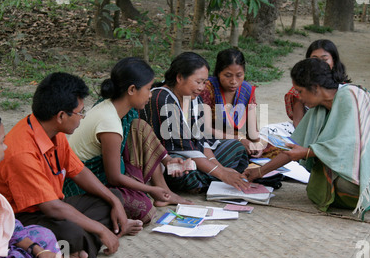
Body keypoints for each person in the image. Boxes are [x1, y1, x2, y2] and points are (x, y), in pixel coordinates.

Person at [246, 58, 370, 217]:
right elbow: (294, 148)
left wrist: (309, 152)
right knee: (327, 187)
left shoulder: (350, 96)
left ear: (316, 88)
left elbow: (351, 147)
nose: (299, 98)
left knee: (346, 188)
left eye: (300, 91)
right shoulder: (320, 108)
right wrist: (258, 173)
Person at [0, 72, 142, 258]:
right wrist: (100, 229)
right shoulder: (22, 152)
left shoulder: (54, 131)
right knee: (73, 233)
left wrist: (114, 201)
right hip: (22, 217)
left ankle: (87, 242)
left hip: (53, 204)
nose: (82, 118)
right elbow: (52, 208)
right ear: (61, 116)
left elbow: (79, 171)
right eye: (80, 112)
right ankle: (97, 237)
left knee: (113, 198)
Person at [65, 57, 192, 224]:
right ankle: (157, 191)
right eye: (148, 89)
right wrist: (150, 189)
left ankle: (164, 192)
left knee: (139, 126)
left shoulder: (119, 108)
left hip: (105, 174)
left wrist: (167, 160)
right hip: (81, 185)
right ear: (132, 90)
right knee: (145, 211)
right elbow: (114, 177)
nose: (150, 94)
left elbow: (140, 133)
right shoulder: (109, 122)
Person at [140, 52, 250, 193]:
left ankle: (205, 180)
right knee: (182, 167)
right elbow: (184, 148)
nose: (201, 87)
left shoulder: (193, 98)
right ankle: (206, 181)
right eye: (198, 82)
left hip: (195, 155)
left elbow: (201, 141)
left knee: (236, 148)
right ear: (179, 77)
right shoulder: (162, 99)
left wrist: (219, 168)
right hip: (169, 157)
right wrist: (221, 173)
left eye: (204, 82)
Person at [0, 111, 65, 258]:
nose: (5, 147)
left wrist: (38, 250)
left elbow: (5, 221)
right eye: (1, 142)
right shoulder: (21, 153)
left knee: (43, 236)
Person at [200, 48, 267, 157]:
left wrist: (257, 144)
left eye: (239, 75)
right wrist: (238, 139)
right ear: (218, 73)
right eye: (228, 75)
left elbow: (252, 130)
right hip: (213, 141)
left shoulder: (247, 90)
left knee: (279, 152)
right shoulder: (208, 89)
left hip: (240, 141)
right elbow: (205, 129)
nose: (233, 81)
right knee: (234, 149)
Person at [284, 39, 350, 128]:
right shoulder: (302, 89)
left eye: (324, 59)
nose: (320, 64)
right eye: (314, 59)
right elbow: (298, 125)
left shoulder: (346, 94)